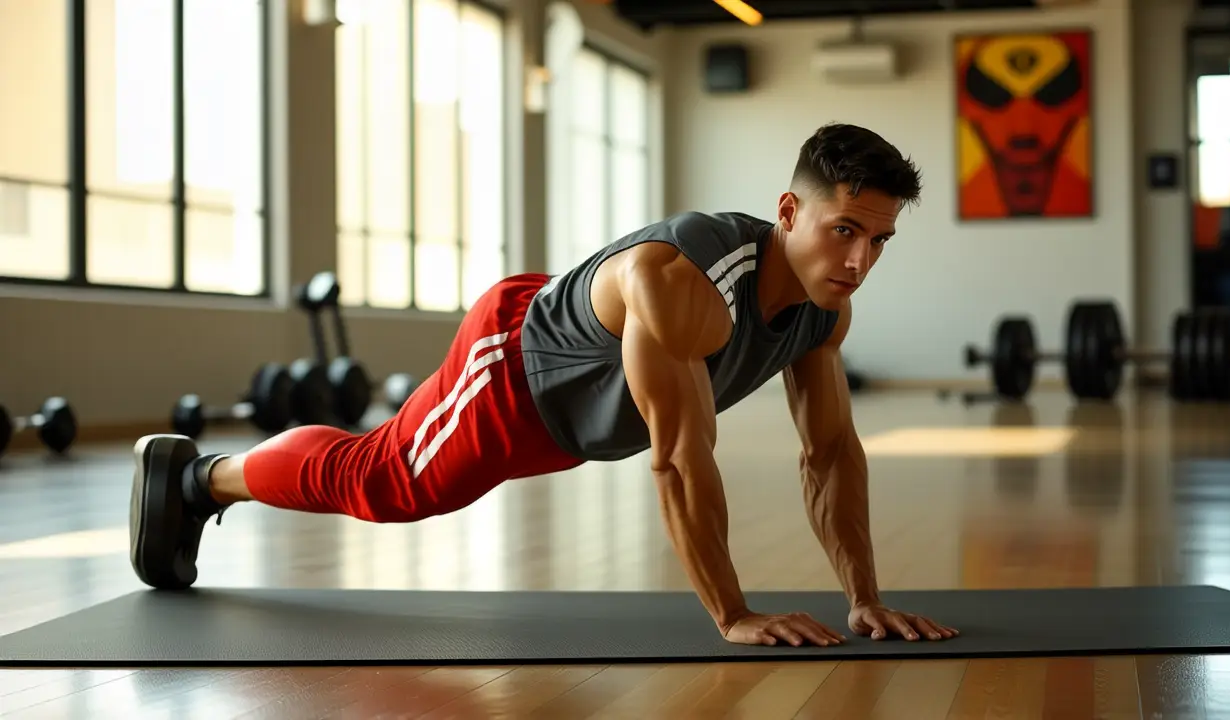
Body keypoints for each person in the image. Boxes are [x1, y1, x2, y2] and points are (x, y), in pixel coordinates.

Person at [129, 122, 959, 648]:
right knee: (386, 482)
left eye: (879, 240)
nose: (858, 261)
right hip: (518, 371)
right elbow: (678, 458)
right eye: (843, 230)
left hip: (576, 419)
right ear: (788, 210)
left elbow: (830, 453)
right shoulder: (688, 283)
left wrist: (864, 599)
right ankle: (198, 478)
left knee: (392, 480)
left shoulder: (822, 313)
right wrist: (733, 614)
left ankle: (200, 479)